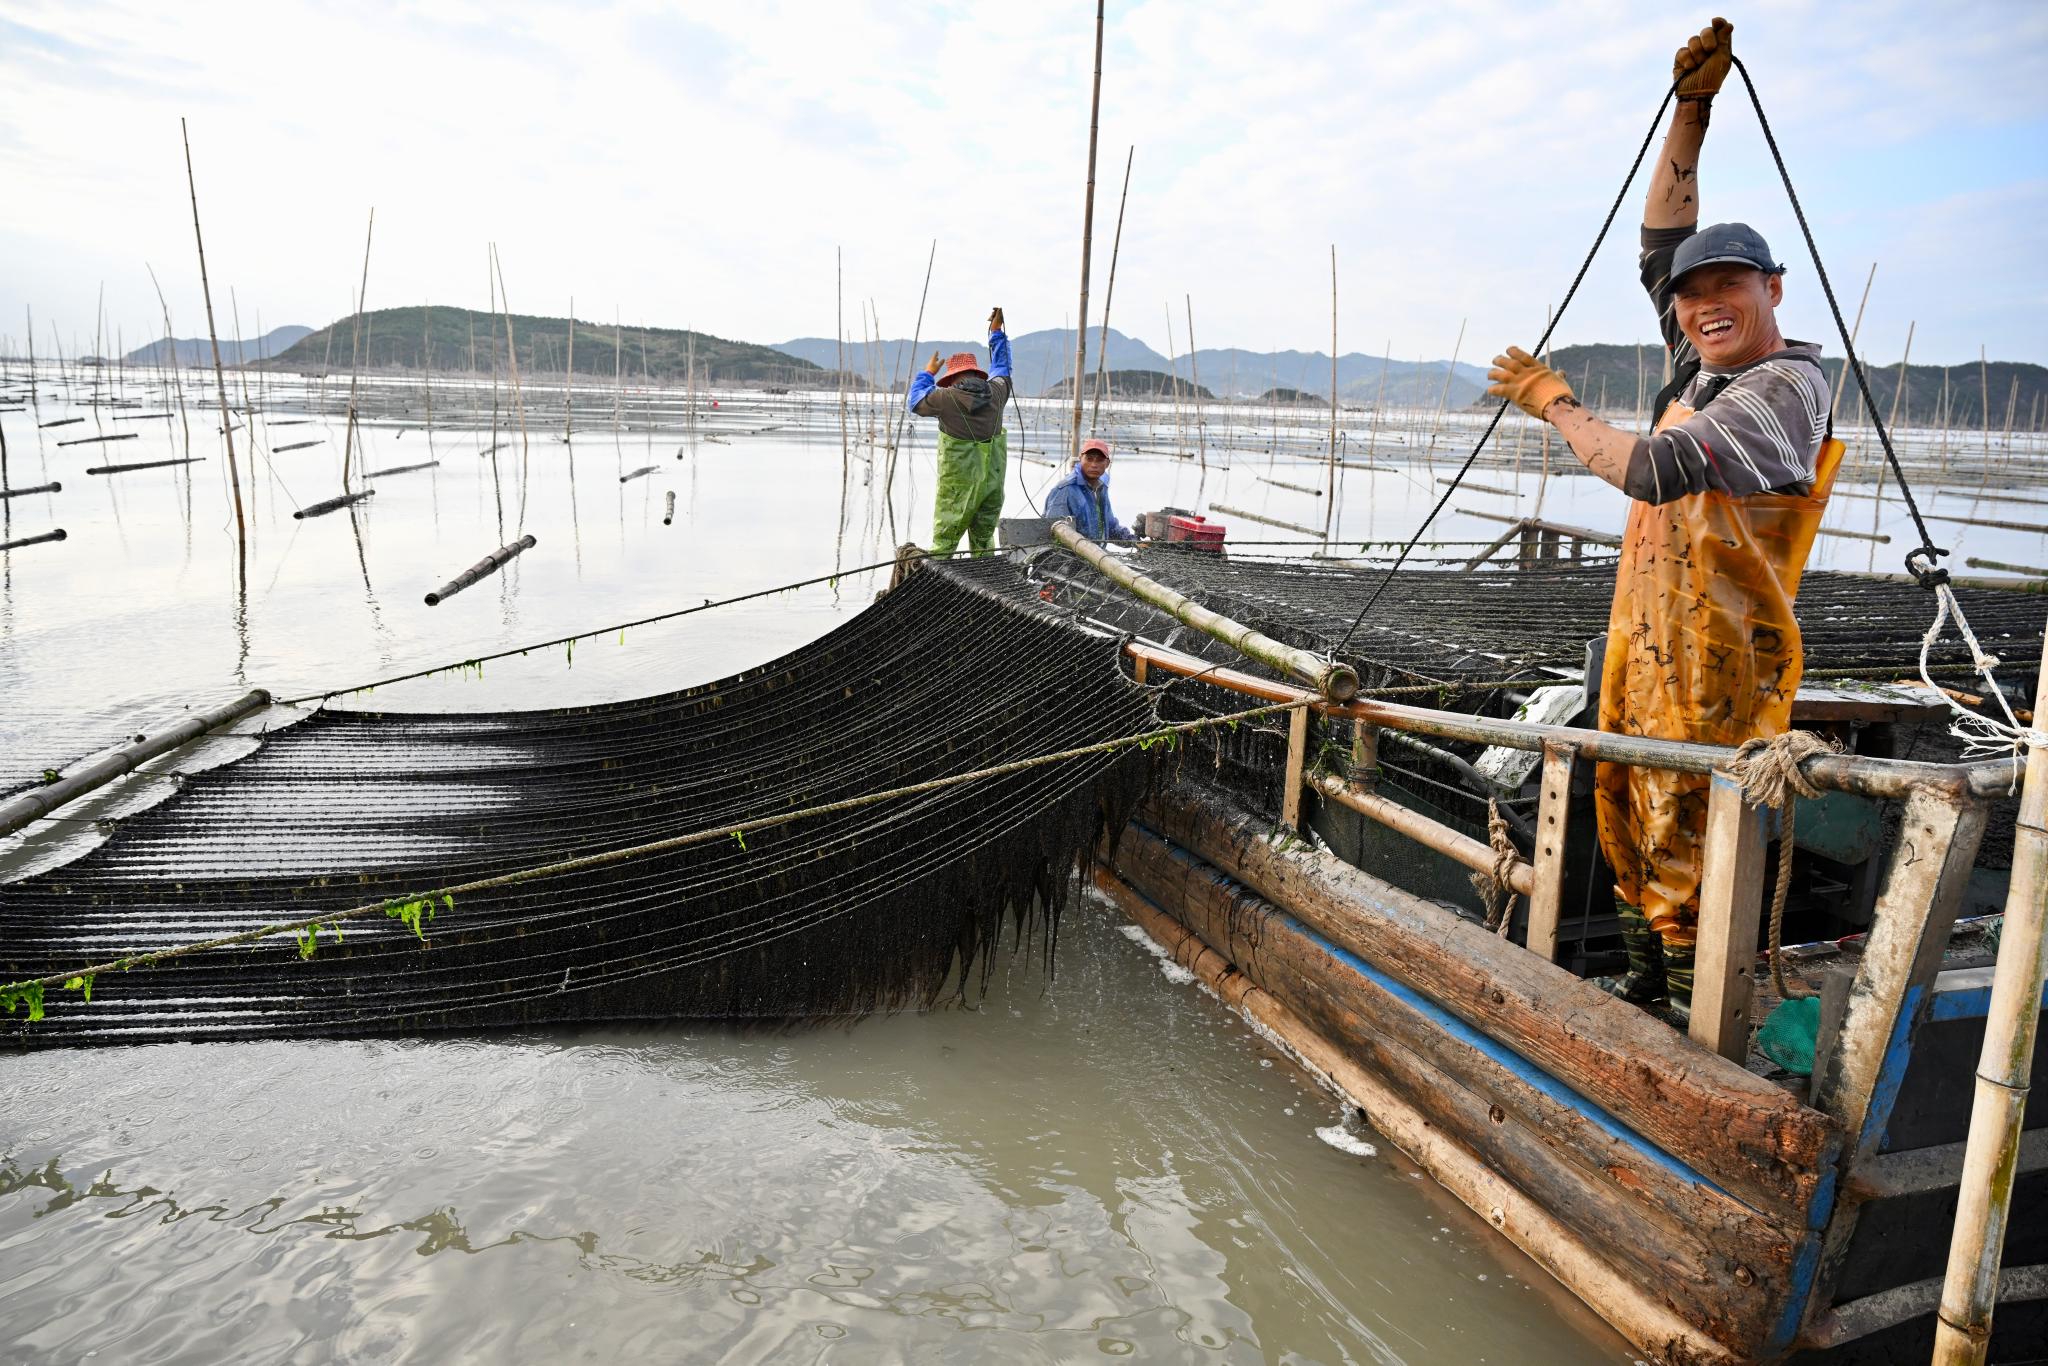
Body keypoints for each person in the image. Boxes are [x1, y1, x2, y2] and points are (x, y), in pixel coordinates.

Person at [1484, 16, 1840, 1024]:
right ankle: (1640, 988)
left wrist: (1555, 403)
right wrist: (1690, 111)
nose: (1702, 304)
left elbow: (1653, 468)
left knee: (1689, 834)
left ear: (1771, 288)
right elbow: (1657, 241)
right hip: (1648, 643)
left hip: (1724, 659)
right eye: (1691, 295)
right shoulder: (1703, 358)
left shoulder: (1780, 390)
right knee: (1629, 814)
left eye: (1727, 286)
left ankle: (1692, 1024)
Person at [907, 307, 1013, 556]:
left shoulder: (943, 398)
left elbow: (914, 402)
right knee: (984, 538)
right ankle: (987, 583)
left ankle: (935, 587)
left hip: (957, 487)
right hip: (992, 484)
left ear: (952, 379)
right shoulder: (998, 392)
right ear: (977, 374)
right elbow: (1002, 367)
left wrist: (928, 373)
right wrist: (996, 333)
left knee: (944, 542)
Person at [1043, 438, 1135, 542]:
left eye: (1099, 460)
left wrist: (1133, 541)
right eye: (1089, 459)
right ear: (1081, 459)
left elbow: (1110, 527)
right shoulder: (1065, 489)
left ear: (1107, 463)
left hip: (1097, 553)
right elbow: (1054, 531)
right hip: (1069, 554)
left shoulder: (1101, 488)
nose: (1094, 465)